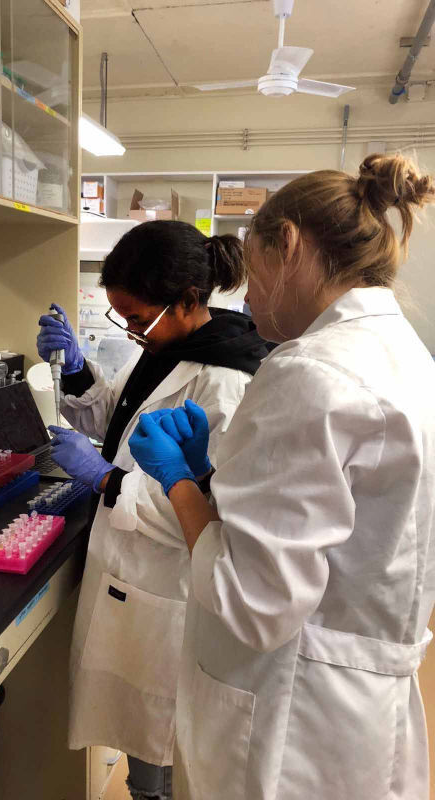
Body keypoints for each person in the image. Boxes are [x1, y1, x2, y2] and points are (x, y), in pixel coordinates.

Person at [128, 154, 435, 800]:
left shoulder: (310, 371)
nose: (246, 294)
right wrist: (213, 477)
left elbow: (251, 601)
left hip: (291, 726)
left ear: (288, 244)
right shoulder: (406, 355)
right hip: (356, 708)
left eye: (254, 268)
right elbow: (331, 530)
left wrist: (178, 482)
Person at [36, 220, 268, 800]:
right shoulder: (171, 346)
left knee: (161, 737)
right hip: (131, 572)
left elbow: (206, 514)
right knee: (145, 732)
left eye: (138, 318)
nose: (131, 330)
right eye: (122, 317)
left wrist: (104, 479)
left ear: (190, 300)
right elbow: (118, 417)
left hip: (171, 581)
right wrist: (73, 369)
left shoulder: (225, 380)